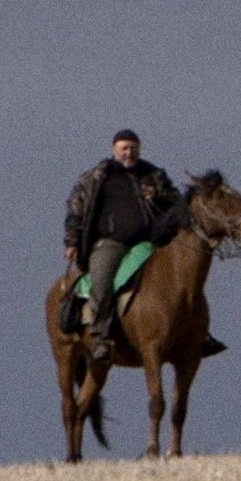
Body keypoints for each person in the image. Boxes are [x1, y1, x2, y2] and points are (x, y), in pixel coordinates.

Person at [66, 129, 181, 348]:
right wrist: (72, 242)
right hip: (110, 242)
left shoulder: (154, 175)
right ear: (114, 150)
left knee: (181, 276)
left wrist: (158, 197)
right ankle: (99, 333)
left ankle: (196, 332)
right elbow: (76, 209)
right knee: (102, 277)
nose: (129, 153)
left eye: (133, 148)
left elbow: (177, 204)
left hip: (149, 243)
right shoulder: (97, 177)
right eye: (124, 149)